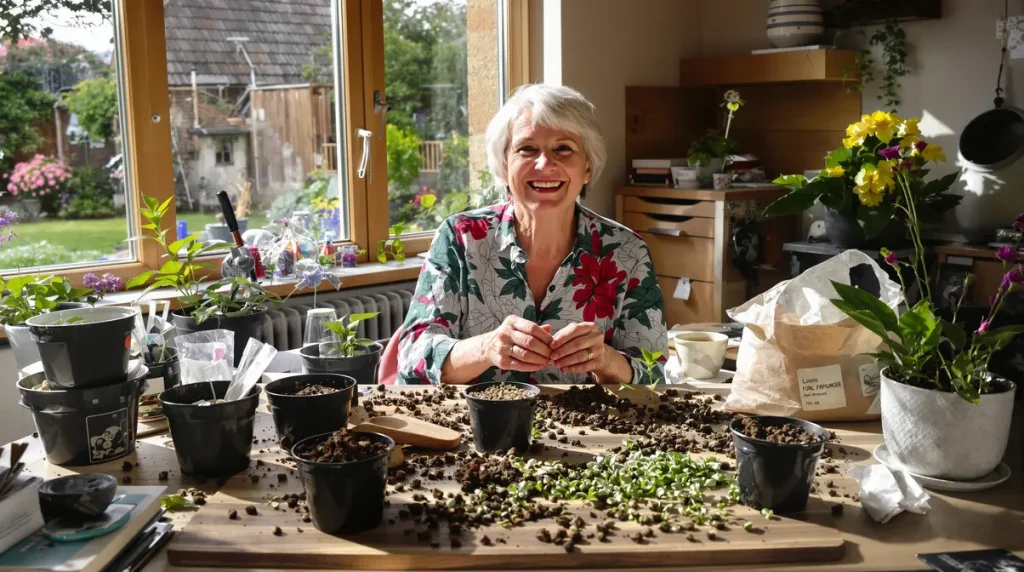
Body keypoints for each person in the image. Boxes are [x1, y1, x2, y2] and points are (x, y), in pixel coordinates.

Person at [397, 84, 667, 386]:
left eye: (563, 149)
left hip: (589, 429)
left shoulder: (627, 252)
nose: (545, 164)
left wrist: (606, 359)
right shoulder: (461, 239)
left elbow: (655, 374)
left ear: (587, 167)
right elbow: (412, 356)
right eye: (527, 149)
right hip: (476, 427)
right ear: (503, 164)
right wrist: (487, 348)